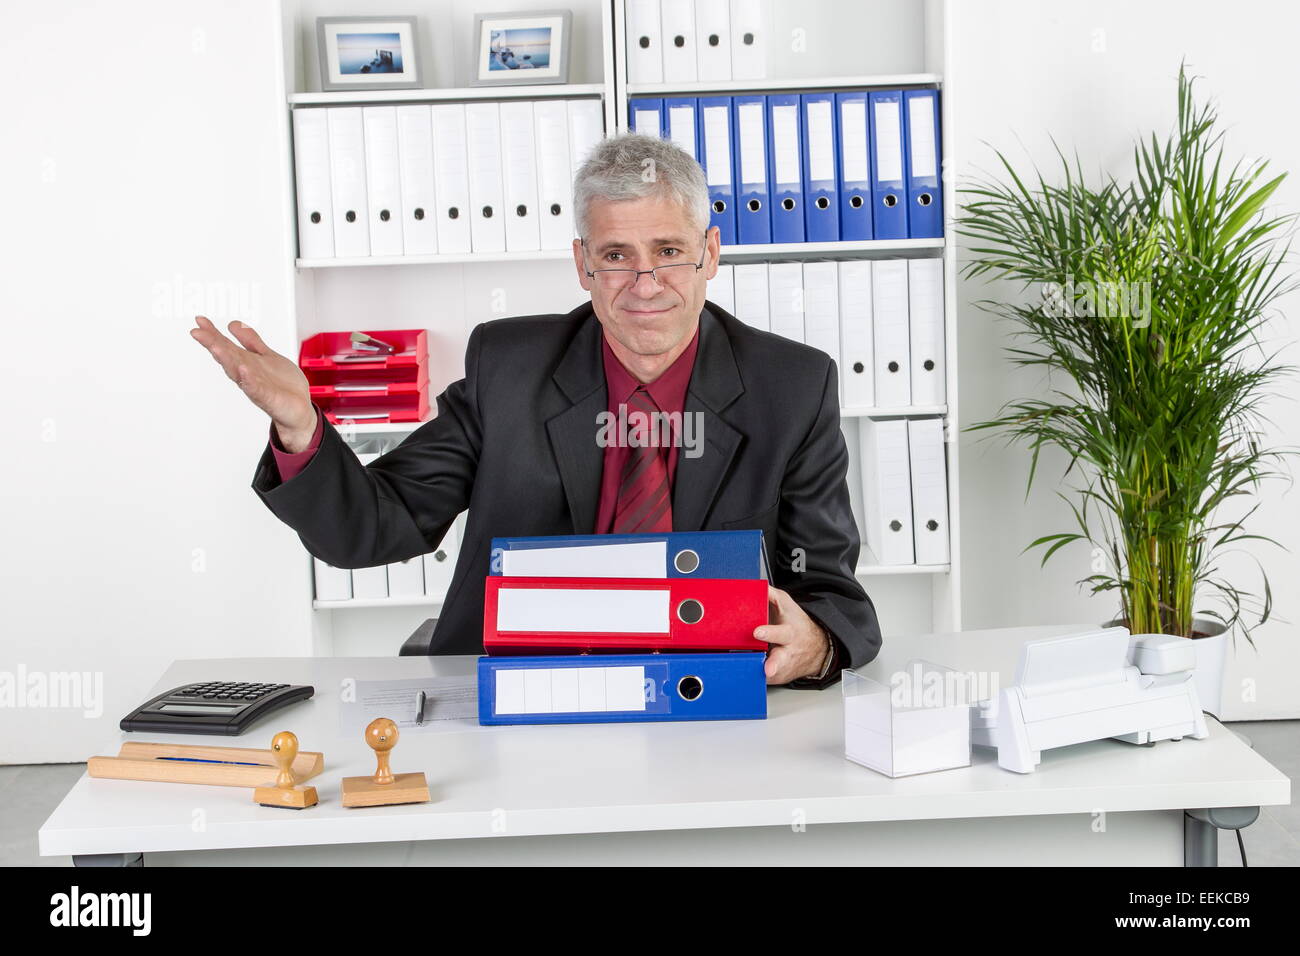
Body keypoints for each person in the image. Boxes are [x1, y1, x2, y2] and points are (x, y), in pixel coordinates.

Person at [190, 132, 882, 688]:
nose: (645, 284)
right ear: (583, 265)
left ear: (710, 253)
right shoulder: (509, 368)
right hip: (516, 690)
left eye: (669, 252)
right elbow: (371, 529)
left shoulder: (791, 386)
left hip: (705, 693)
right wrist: (301, 425)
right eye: (617, 256)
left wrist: (816, 645)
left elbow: (829, 590)